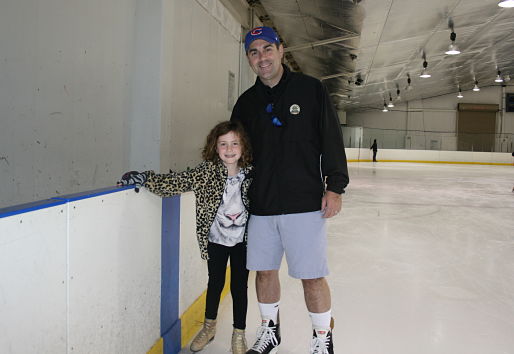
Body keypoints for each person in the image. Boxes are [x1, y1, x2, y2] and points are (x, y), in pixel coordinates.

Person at [230, 26, 349, 354]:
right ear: (248, 59)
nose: (262, 57)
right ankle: (270, 331)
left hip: (304, 204)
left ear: (282, 50)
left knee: (312, 276)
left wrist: (335, 187)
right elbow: (236, 155)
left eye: (268, 49)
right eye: (254, 52)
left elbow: (331, 140)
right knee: (265, 272)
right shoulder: (245, 104)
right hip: (262, 205)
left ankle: (322, 339)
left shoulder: (312, 90)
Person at [117, 121, 253, 354]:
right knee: (215, 283)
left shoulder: (252, 173)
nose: (229, 149)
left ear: (243, 147)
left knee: (240, 287)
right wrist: (145, 178)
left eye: (234, 143)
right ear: (214, 146)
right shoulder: (207, 172)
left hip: (245, 240)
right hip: (215, 239)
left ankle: (238, 334)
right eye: (223, 144)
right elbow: (176, 181)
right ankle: (209, 327)